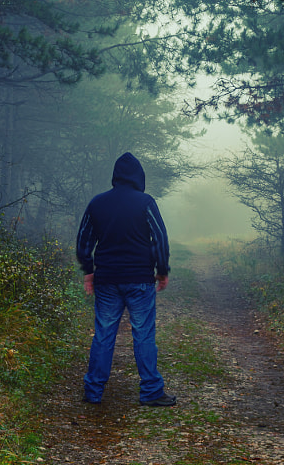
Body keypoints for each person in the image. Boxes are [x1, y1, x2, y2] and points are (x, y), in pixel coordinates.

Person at [76, 152, 176, 407]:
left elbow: (84, 242)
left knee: (103, 334)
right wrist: (162, 270)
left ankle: (93, 391)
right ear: (138, 177)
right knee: (143, 334)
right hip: (140, 280)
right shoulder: (145, 203)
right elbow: (160, 239)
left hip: (107, 279)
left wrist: (89, 270)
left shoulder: (97, 203)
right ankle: (151, 392)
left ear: (115, 176)